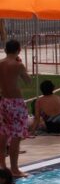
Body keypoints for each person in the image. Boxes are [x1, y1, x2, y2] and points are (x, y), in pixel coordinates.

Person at [0, 40, 32, 177]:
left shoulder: (0, 63)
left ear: (6, 50)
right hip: (16, 102)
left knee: (4, 133)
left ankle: (2, 167)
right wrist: (21, 65)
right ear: (18, 50)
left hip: (4, 101)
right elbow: (28, 81)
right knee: (16, 135)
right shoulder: (18, 65)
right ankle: (14, 169)